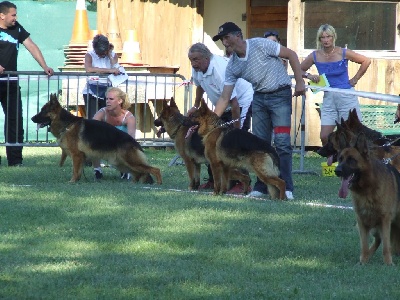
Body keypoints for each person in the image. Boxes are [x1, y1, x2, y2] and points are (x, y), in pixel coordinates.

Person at [212, 22, 306, 200]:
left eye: (227, 37)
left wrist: (300, 82)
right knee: (258, 145)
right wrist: (212, 122)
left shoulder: (260, 44)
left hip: (280, 95)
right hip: (260, 99)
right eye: (222, 40)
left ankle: (286, 187)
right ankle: (261, 187)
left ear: (238, 35)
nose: (224, 43)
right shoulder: (232, 66)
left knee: (282, 142)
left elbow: (291, 54)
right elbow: (225, 98)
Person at [187, 42, 254, 194]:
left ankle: (243, 183)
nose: (193, 63)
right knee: (211, 143)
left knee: (234, 145)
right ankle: (214, 180)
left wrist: (237, 131)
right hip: (222, 104)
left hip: (241, 102)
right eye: (191, 60)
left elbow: (234, 103)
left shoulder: (220, 70)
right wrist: (196, 105)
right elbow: (199, 85)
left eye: (196, 59)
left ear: (206, 58)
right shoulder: (197, 68)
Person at [0, 1, 54, 167]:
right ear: (2, 15)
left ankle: (15, 160)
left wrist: (44, 66)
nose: (15, 18)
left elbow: (31, 45)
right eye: (13, 15)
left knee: (15, 121)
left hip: (11, 85)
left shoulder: (17, 28)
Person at [300, 24, 371, 146]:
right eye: (323, 37)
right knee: (324, 136)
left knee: (351, 133)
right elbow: (299, 69)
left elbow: (366, 60)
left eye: (328, 36)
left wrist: (355, 79)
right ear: (319, 39)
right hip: (329, 97)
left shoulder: (342, 52)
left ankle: (350, 162)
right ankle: (333, 159)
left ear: (333, 37)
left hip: (346, 96)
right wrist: (309, 75)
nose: (326, 40)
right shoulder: (315, 55)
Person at [92, 87, 136, 180]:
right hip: (106, 143)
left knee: (129, 147)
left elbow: (131, 139)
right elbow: (91, 128)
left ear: (120, 101)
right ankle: (97, 170)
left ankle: (126, 170)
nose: (107, 101)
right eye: (106, 99)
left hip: (122, 144)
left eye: (111, 99)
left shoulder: (129, 117)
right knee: (93, 143)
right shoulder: (102, 112)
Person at [83, 34, 121, 120]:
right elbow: (89, 69)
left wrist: (109, 54)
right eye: (99, 53)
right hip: (92, 90)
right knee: (93, 119)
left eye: (103, 53)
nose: (101, 55)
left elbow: (115, 66)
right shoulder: (89, 55)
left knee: (108, 119)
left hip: (108, 90)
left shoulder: (113, 54)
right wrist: (109, 71)